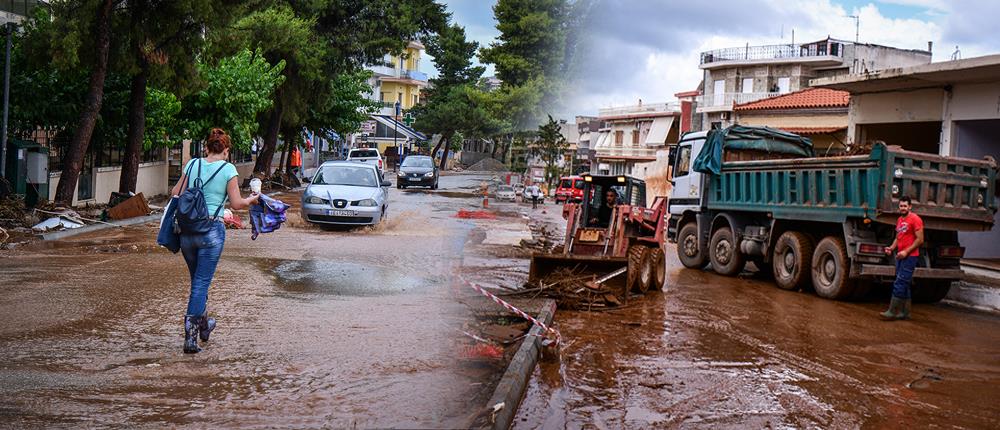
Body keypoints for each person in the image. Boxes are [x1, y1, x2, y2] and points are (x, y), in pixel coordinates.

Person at [170, 128, 260, 353]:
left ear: (206, 148)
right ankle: (190, 339)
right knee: (201, 284)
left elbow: (175, 192)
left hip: (187, 232)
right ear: (227, 151)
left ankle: (204, 326)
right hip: (211, 231)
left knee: (198, 283)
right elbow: (236, 204)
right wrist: (252, 200)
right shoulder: (228, 169)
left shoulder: (192, 165)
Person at [881, 195, 924, 321]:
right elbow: (898, 237)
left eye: (905, 206)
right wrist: (891, 248)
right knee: (904, 283)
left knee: (900, 282)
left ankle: (892, 311)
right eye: (901, 206)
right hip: (900, 255)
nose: (903, 208)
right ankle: (905, 313)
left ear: (910, 206)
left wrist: (906, 252)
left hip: (910, 257)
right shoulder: (900, 219)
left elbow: (920, 240)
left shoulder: (915, 219)